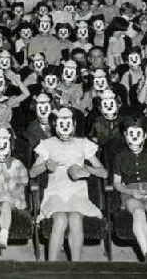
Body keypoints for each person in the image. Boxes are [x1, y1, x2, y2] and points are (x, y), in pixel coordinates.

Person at [30, 107, 107, 261]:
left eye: (68, 123)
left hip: (77, 192)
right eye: (61, 124)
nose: (65, 128)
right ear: (55, 126)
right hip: (55, 192)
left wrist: (87, 169)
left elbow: (104, 173)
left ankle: (76, 266)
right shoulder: (48, 144)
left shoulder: (83, 143)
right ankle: (51, 267)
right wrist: (45, 166)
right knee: (60, 219)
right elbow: (32, 173)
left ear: (74, 124)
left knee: (76, 219)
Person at [112, 115, 147, 263]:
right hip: (130, 191)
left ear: (145, 136)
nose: (134, 138)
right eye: (131, 134)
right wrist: (130, 192)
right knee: (139, 212)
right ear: (125, 135)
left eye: (138, 134)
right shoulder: (119, 157)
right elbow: (117, 183)